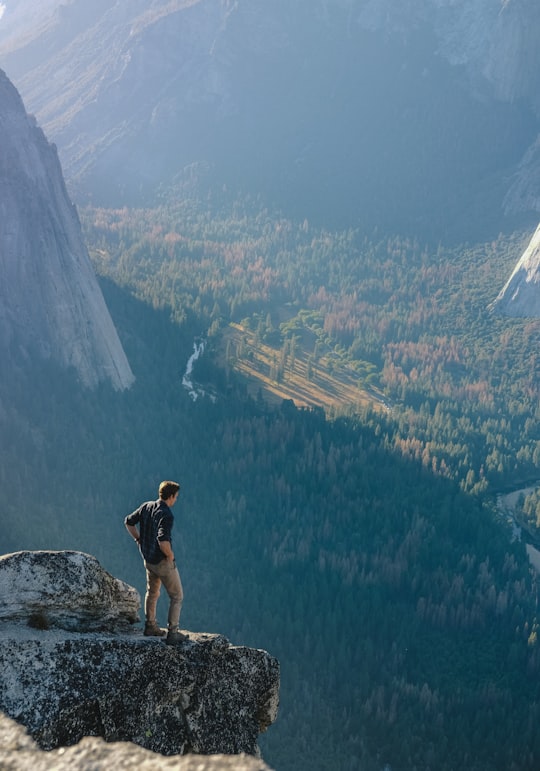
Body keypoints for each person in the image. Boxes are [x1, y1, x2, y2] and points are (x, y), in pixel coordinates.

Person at [125, 480, 187, 645]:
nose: (176, 500)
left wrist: (138, 538)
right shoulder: (166, 514)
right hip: (162, 562)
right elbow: (163, 540)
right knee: (177, 596)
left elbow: (128, 522)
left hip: (148, 559)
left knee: (152, 592)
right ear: (171, 496)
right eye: (176, 497)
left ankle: (150, 625)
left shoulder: (146, 506)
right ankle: (173, 633)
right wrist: (170, 556)